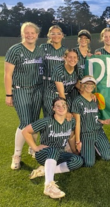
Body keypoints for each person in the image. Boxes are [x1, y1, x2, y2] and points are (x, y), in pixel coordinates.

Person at [22, 97, 83, 199]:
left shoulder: (71, 121)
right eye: (57, 106)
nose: (61, 108)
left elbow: (71, 137)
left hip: (59, 153)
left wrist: (74, 151)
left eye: (64, 105)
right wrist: (35, 148)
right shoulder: (46, 121)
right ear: (53, 108)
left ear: (67, 107)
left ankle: (44, 171)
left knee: (78, 161)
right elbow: (25, 131)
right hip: (44, 154)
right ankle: (49, 186)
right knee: (53, 150)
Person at [4, 22, 43, 169]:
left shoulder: (40, 51)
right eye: (27, 32)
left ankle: (32, 148)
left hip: (37, 90)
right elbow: (7, 74)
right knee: (25, 123)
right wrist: (9, 94)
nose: (30, 35)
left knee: (34, 122)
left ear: (37, 35)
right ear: (22, 34)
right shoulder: (15, 50)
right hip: (21, 90)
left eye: (33, 33)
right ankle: (17, 155)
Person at [71, 76, 110, 167]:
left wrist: (103, 121)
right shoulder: (77, 101)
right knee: (89, 163)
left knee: (108, 156)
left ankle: (95, 148)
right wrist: (78, 142)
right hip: (86, 134)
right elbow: (77, 122)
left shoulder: (95, 98)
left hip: (98, 131)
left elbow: (94, 116)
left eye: (92, 84)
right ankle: (90, 148)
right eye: (87, 84)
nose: (89, 86)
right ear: (82, 85)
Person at [43, 49, 80, 117]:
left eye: (75, 57)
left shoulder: (77, 69)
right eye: (70, 57)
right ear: (64, 57)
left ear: (77, 59)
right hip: (53, 95)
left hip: (67, 96)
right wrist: (65, 111)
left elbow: (78, 84)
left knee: (68, 118)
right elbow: (61, 93)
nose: (72, 59)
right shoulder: (59, 70)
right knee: (55, 117)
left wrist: (89, 94)